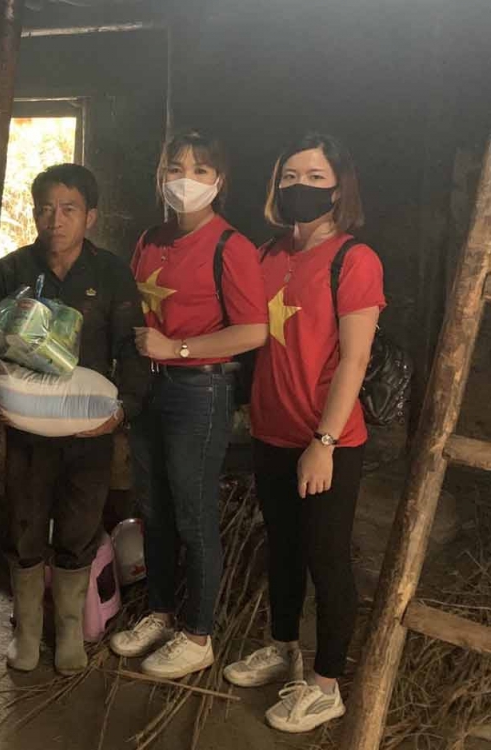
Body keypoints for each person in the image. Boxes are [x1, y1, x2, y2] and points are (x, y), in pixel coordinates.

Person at [224, 134, 384, 734]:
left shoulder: (353, 260)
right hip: (272, 430)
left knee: (327, 556)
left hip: (327, 439)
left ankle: (325, 685)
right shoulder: (266, 255)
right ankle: (284, 646)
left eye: (315, 177)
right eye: (290, 176)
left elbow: (355, 359)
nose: (300, 187)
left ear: (339, 188)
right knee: (283, 547)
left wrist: (325, 442)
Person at [110, 131, 269, 679]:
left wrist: (176, 349)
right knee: (152, 507)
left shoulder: (231, 246)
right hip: (150, 387)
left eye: (200, 170)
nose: (186, 179)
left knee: (192, 512)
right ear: (161, 176)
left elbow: (252, 331)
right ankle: (159, 613)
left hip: (199, 389)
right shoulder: (150, 239)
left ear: (219, 181)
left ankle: (199, 634)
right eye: (175, 167)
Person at [0, 164, 149, 676]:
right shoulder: (11, 271)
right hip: (28, 429)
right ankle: (26, 633)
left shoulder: (111, 274)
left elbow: (132, 349)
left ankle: (69, 633)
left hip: (88, 429)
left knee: (80, 527)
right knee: (24, 523)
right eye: (45, 209)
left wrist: (122, 411)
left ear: (90, 216)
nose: (54, 220)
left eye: (68, 209)